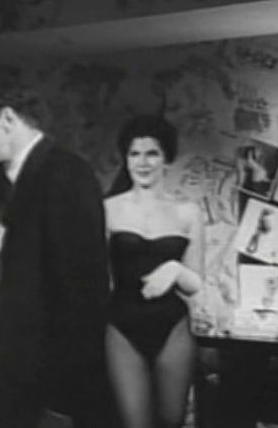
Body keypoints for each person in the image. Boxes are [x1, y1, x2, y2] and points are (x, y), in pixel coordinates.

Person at [0, 64, 111, 428]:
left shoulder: (67, 175)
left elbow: (85, 296)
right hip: (14, 383)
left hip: (51, 391)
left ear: (7, 119)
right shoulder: (1, 185)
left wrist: (62, 402)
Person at [104, 114, 204, 428]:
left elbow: (196, 283)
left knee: (172, 422)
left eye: (152, 153)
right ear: (126, 158)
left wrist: (174, 270)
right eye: (135, 153)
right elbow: (94, 277)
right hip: (121, 327)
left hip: (172, 327)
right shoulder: (108, 209)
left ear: (166, 158)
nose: (143, 162)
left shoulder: (188, 212)